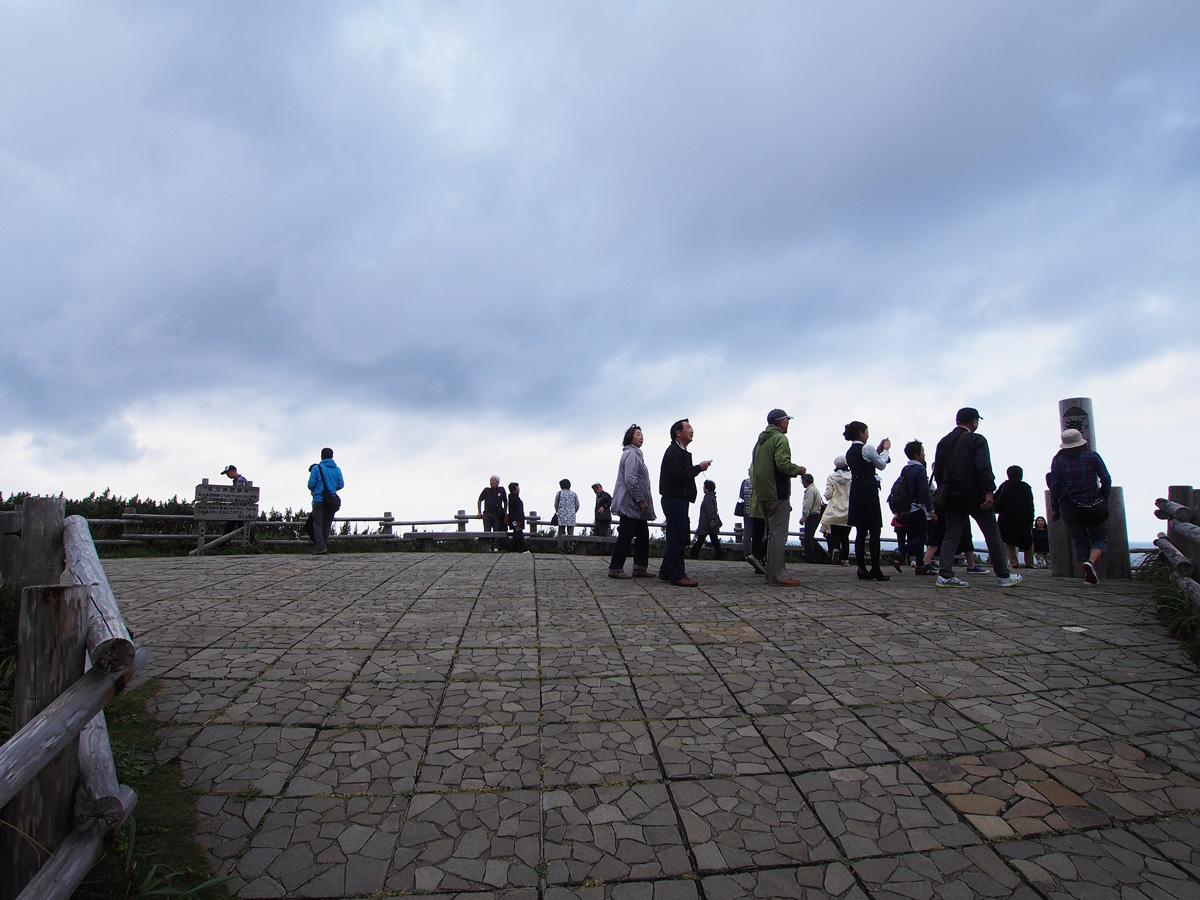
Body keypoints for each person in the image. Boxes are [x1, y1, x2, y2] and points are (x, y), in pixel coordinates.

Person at [931, 408, 1022, 588]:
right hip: (975, 494)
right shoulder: (976, 439)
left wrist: (944, 491)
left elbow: (938, 471)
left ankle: (945, 575)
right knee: (992, 533)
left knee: (951, 535)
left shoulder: (943, 442)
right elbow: (983, 467)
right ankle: (1003, 575)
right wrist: (989, 491)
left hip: (952, 495)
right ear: (974, 421)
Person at [749, 409, 805, 586]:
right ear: (781, 422)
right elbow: (782, 464)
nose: (788, 423)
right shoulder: (780, 438)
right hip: (777, 492)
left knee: (772, 534)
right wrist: (798, 470)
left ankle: (770, 572)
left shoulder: (759, 442)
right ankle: (778, 575)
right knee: (779, 535)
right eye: (787, 420)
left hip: (762, 493)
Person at [1049, 428, 1112, 585]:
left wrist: (1055, 507)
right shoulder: (1092, 456)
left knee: (1080, 539)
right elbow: (1106, 478)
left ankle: (1088, 572)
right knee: (1100, 538)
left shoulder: (1058, 460)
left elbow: (1054, 485)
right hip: (1093, 504)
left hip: (1069, 506)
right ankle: (1091, 562)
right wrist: (1103, 496)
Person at [659, 419, 712, 587]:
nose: (692, 430)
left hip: (679, 499)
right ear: (678, 432)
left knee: (678, 535)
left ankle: (666, 570)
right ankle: (677, 575)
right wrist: (698, 468)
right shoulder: (674, 451)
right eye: (688, 427)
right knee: (677, 537)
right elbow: (678, 475)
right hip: (674, 500)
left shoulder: (681, 451)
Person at [844, 421, 891, 581]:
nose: (868, 435)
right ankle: (875, 568)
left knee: (860, 532)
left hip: (856, 489)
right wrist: (885, 451)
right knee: (875, 530)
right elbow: (881, 464)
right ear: (861, 432)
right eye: (867, 432)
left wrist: (877, 452)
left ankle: (861, 568)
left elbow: (867, 460)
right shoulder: (868, 447)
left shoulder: (850, 451)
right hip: (869, 491)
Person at [608, 425, 656, 578]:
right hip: (630, 503)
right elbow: (630, 479)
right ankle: (615, 568)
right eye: (638, 434)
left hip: (636, 505)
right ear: (630, 437)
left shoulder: (637, 454)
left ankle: (640, 567)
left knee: (642, 535)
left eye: (642, 434)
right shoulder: (631, 454)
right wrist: (641, 500)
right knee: (626, 535)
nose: (641, 437)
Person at [891, 440, 935, 575]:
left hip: (906, 508)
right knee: (923, 538)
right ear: (917, 455)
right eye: (922, 451)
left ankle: (920, 565)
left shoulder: (906, 468)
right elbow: (924, 491)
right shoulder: (920, 469)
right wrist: (931, 510)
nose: (924, 454)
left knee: (916, 536)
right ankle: (900, 552)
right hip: (917, 507)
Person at [995, 465, 1037, 569]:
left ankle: (1014, 563)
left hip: (1006, 518)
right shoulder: (1026, 487)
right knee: (1028, 541)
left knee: (1009, 541)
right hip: (1023, 518)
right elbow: (1030, 504)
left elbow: (996, 498)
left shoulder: (1004, 485)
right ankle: (1030, 563)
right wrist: (1031, 518)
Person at [307, 448, 344, 556]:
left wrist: (317, 489)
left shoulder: (317, 468)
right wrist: (331, 489)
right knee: (327, 524)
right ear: (332, 456)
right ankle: (324, 546)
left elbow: (310, 484)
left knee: (317, 523)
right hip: (331, 500)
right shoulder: (337, 469)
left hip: (319, 499)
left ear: (321, 456)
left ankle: (320, 547)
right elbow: (341, 484)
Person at [819, 456, 851, 566]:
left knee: (835, 534)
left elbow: (828, 495)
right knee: (845, 536)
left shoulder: (831, 477)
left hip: (835, 509)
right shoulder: (852, 477)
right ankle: (845, 559)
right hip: (848, 510)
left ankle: (835, 549)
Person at [689, 480, 723, 560]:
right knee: (712, 539)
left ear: (707, 488)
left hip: (707, 523)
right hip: (709, 522)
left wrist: (711, 520)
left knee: (702, 539)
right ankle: (718, 555)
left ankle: (693, 554)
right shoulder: (712, 497)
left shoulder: (708, 498)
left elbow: (710, 510)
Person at [799, 473, 826, 564]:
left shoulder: (810, 490)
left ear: (805, 481)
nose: (802, 483)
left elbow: (808, 504)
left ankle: (810, 558)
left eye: (802, 481)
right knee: (809, 536)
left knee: (808, 537)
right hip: (816, 514)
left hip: (812, 515)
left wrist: (804, 517)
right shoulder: (815, 489)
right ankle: (823, 554)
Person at [477, 476, 507, 552]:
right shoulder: (486, 490)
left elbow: (505, 502)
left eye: (493, 480)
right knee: (487, 530)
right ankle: (488, 546)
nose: (491, 482)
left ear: (497, 482)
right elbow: (479, 500)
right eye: (490, 480)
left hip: (497, 514)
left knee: (496, 530)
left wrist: (505, 512)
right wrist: (479, 512)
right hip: (487, 513)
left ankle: (496, 547)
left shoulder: (501, 490)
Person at [737, 475, 761, 572]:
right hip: (758, 510)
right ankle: (758, 555)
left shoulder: (745, 482)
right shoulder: (760, 481)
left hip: (746, 510)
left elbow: (741, 496)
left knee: (747, 533)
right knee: (759, 533)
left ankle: (747, 553)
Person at [221, 464, 249, 535]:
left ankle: (223, 544)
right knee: (242, 528)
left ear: (233, 471)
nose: (227, 475)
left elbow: (239, 497)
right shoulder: (237, 480)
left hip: (239, 509)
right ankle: (253, 544)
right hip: (239, 510)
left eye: (227, 473)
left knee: (229, 529)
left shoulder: (240, 480)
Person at [554, 479, 580, 552]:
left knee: (561, 532)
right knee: (570, 533)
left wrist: (558, 510)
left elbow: (556, 504)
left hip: (561, 515)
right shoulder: (574, 494)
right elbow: (577, 505)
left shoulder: (559, 493)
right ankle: (570, 548)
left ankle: (560, 547)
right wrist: (573, 511)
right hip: (571, 515)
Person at [507, 482, 528, 554]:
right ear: (515, 489)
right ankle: (522, 549)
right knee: (518, 532)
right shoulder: (515, 498)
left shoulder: (512, 497)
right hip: (516, 519)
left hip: (514, 519)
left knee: (518, 533)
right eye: (518, 487)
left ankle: (516, 549)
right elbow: (516, 511)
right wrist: (518, 521)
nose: (519, 489)